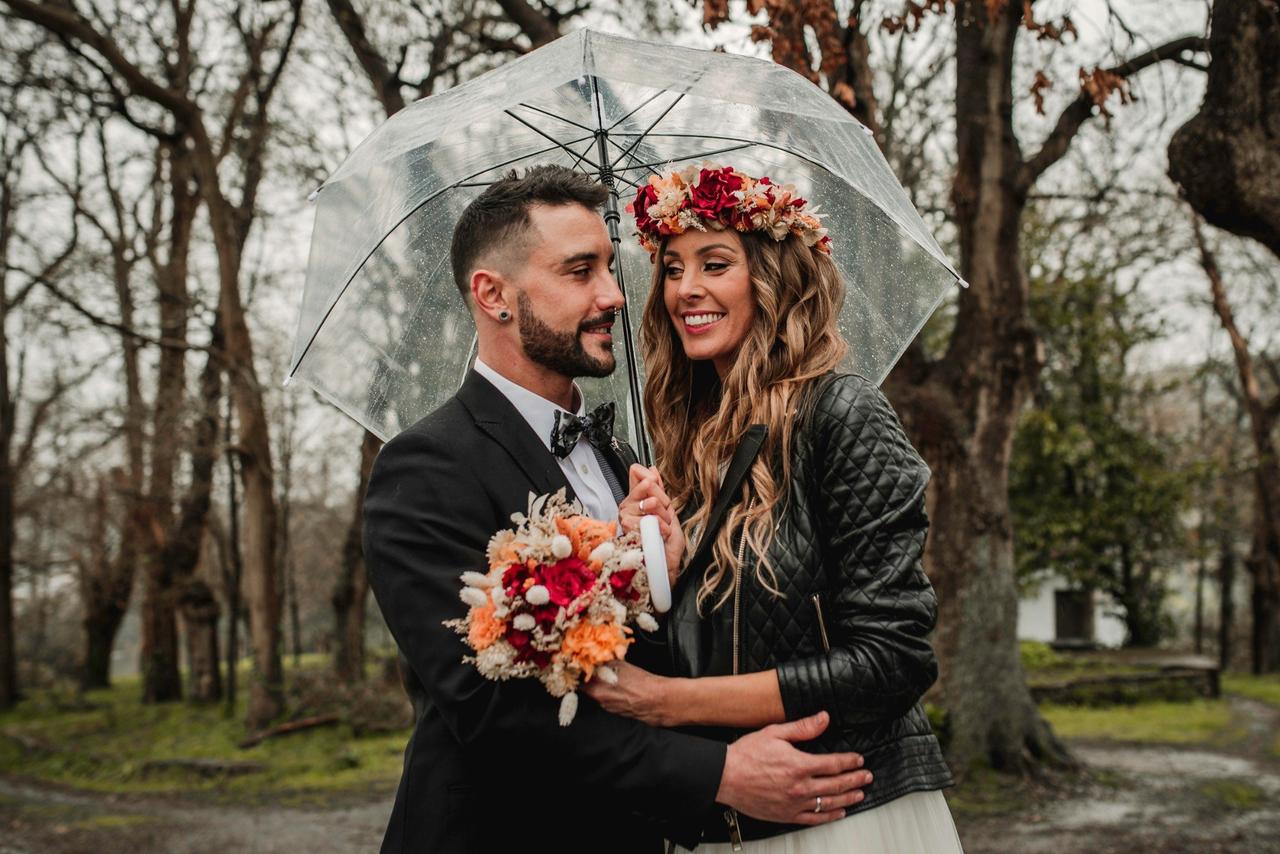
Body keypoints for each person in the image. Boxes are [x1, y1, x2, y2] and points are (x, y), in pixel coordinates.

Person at [362, 165, 874, 854]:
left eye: (611, 267)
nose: (614, 297)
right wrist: (719, 774)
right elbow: (491, 711)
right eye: (580, 272)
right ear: (494, 295)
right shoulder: (425, 469)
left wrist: (652, 584)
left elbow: (633, 665)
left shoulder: (621, 457)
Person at [584, 163, 962, 852]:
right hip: (723, 819)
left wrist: (663, 704)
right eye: (671, 268)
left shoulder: (841, 416)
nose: (685, 289)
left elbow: (892, 659)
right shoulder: (680, 449)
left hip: (842, 815)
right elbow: (710, 640)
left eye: (715, 263)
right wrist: (651, 576)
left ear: (774, 280)